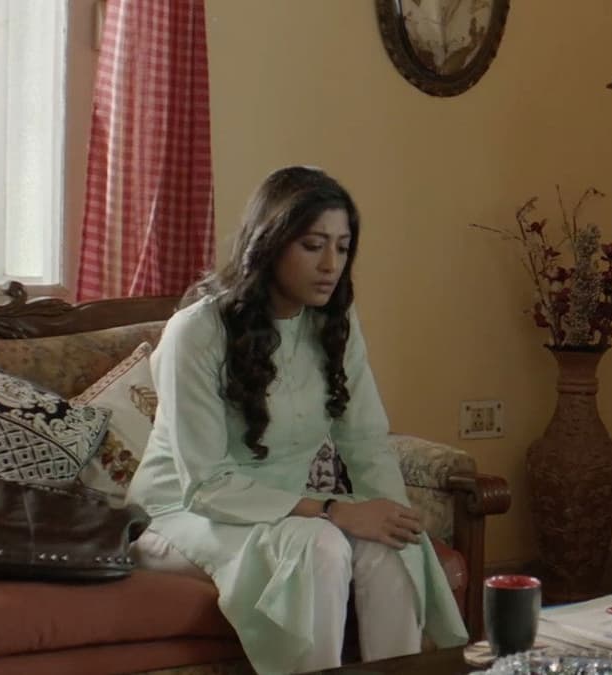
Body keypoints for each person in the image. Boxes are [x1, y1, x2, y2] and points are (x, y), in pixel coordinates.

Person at [126, 166, 467, 674]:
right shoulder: (196, 332)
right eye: (313, 246)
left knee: (391, 544)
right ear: (270, 243)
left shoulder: (335, 323)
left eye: (343, 248)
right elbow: (205, 485)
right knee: (318, 544)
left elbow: (365, 441)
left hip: (287, 512)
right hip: (181, 514)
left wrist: (391, 516)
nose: (331, 265)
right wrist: (330, 510)